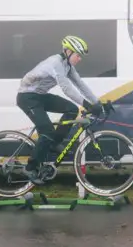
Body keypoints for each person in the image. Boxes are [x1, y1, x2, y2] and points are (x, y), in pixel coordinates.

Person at [16, 35, 106, 184]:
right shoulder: (55, 63)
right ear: (68, 51)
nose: (80, 59)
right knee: (47, 131)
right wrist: (88, 106)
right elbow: (67, 89)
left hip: (39, 96)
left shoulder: (67, 65)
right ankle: (30, 168)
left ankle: (53, 143)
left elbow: (80, 85)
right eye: (78, 55)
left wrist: (98, 103)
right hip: (27, 97)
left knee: (71, 109)